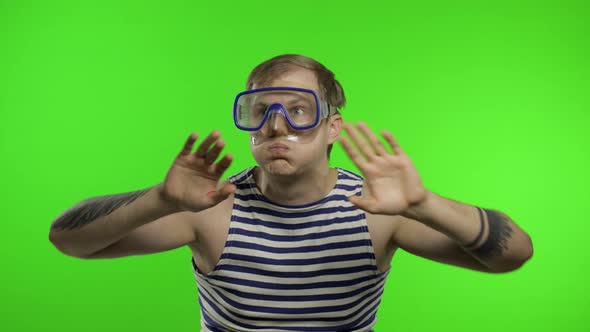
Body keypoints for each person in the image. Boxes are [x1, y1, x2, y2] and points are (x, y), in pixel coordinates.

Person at [49, 54, 533, 331]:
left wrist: (425, 204)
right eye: (259, 109)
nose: (276, 124)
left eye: (299, 109)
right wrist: (160, 199)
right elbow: (69, 241)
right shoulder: (211, 209)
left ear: (332, 128)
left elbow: (512, 256)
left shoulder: (378, 210)